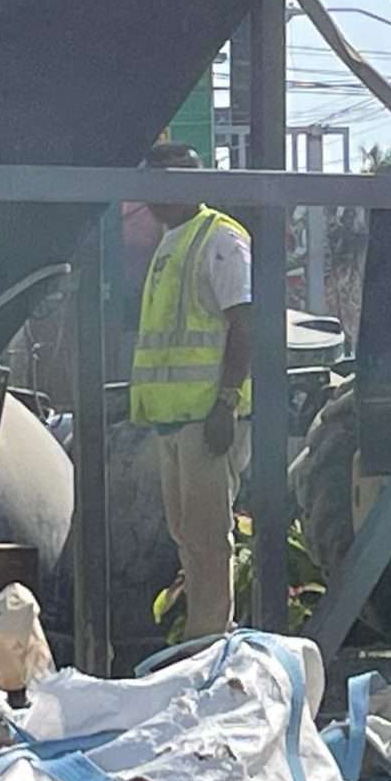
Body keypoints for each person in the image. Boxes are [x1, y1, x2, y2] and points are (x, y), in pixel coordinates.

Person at [128, 141, 255, 642]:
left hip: (205, 419)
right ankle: (203, 635)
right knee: (188, 538)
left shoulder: (218, 238)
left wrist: (226, 401)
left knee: (208, 540)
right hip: (173, 419)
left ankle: (212, 639)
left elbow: (243, 325)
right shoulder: (172, 241)